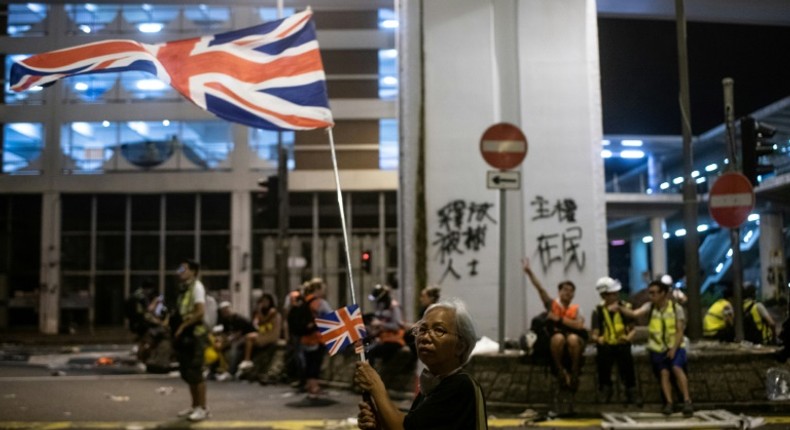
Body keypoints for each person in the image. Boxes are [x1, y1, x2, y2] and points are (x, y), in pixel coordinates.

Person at [355, 298, 488, 430]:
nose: (425, 337)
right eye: (422, 329)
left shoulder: (460, 385)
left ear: (460, 346)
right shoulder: (432, 386)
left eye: (439, 330)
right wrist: (380, 424)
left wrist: (375, 386)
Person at [614, 280, 693, 416]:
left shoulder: (675, 308)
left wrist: (673, 348)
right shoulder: (650, 307)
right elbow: (635, 314)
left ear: (663, 293)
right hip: (657, 347)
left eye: (654, 293)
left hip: (675, 345)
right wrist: (620, 308)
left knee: (676, 368)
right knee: (664, 373)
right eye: (650, 293)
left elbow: (680, 330)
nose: (651, 296)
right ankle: (668, 403)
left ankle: (687, 400)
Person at [522, 258, 586, 391]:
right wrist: (529, 272)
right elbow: (540, 289)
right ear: (559, 292)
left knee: (573, 339)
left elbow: (579, 326)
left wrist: (559, 319)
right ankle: (560, 370)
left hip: (572, 337)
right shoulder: (552, 305)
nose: (568, 292)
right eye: (565, 289)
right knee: (558, 339)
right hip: (556, 338)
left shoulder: (576, 309)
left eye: (571, 290)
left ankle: (574, 371)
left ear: (573, 294)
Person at [590, 276, 641, 406]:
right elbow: (595, 332)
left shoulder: (625, 307)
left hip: (622, 344)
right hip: (606, 345)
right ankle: (606, 389)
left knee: (627, 363)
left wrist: (628, 338)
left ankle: (631, 390)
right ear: (604, 296)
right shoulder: (598, 311)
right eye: (612, 294)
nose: (616, 296)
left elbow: (633, 329)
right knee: (603, 362)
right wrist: (598, 339)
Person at [171, 259, 210, 422]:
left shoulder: (197, 287)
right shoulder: (184, 289)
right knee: (187, 372)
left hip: (195, 335)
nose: (180, 271)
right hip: (186, 335)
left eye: (184, 269)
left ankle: (202, 408)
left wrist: (183, 326)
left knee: (195, 371)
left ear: (193, 271)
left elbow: (200, 312)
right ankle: (194, 406)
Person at [299, 278, 333, 398]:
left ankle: (309, 386)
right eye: (323, 289)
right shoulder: (320, 302)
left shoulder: (304, 301)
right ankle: (315, 388)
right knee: (315, 363)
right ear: (317, 289)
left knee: (308, 363)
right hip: (317, 338)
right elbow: (330, 316)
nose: (324, 291)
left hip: (305, 338)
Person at [238, 293, 282, 374]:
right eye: (263, 301)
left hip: (271, 335)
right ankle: (247, 361)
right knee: (247, 339)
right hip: (264, 333)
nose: (264, 303)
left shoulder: (272, 311)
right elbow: (257, 324)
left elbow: (263, 320)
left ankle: (247, 360)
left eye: (266, 301)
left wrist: (259, 310)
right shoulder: (262, 312)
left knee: (249, 337)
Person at [367, 284, 406, 368]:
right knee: (366, 348)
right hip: (384, 339)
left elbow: (397, 326)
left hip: (394, 340)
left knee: (370, 352)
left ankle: (371, 376)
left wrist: (380, 323)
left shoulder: (394, 307)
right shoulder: (382, 307)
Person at [214, 300, 255, 377]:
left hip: (246, 337)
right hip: (235, 338)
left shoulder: (238, 318)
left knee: (234, 348)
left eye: (226, 310)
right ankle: (218, 369)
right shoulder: (226, 320)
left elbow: (238, 334)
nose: (225, 312)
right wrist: (221, 340)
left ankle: (230, 372)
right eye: (223, 311)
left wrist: (228, 340)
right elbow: (225, 333)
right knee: (218, 347)